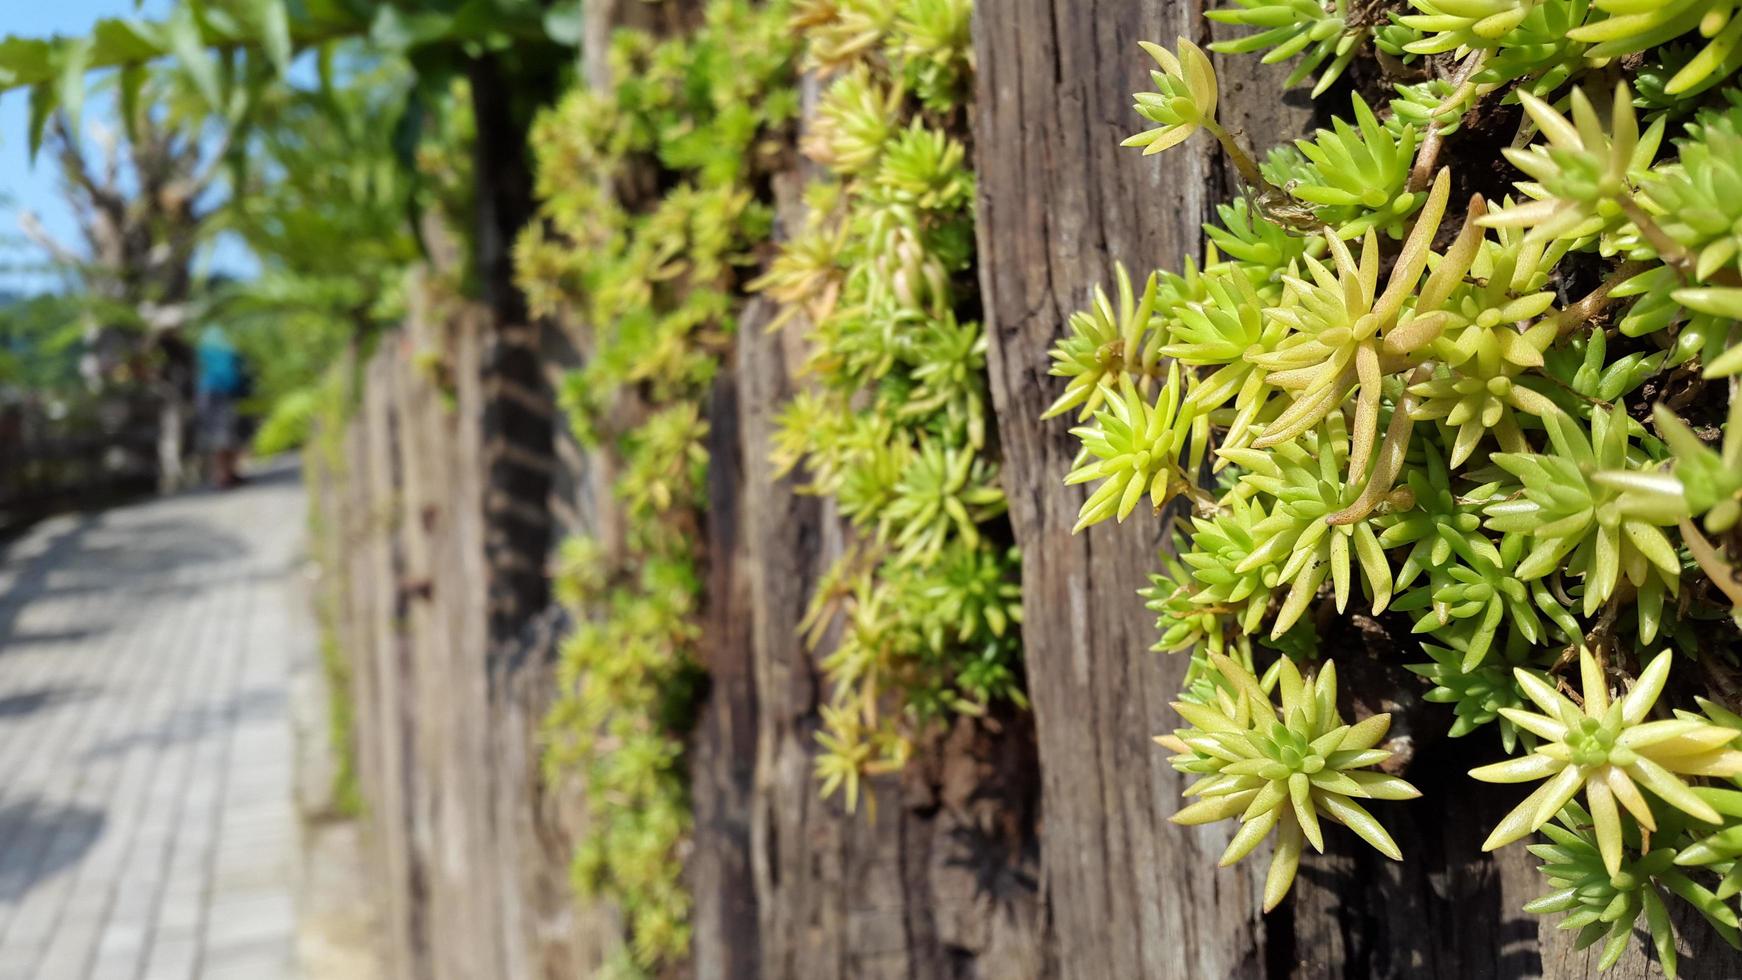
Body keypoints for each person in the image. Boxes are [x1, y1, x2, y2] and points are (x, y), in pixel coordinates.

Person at [194, 325, 249, 488]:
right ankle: (224, 474)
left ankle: (228, 473)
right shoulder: (225, 339)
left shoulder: (207, 339)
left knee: (226, 435)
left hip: (216, 391)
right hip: (219, 391)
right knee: (224, 435)